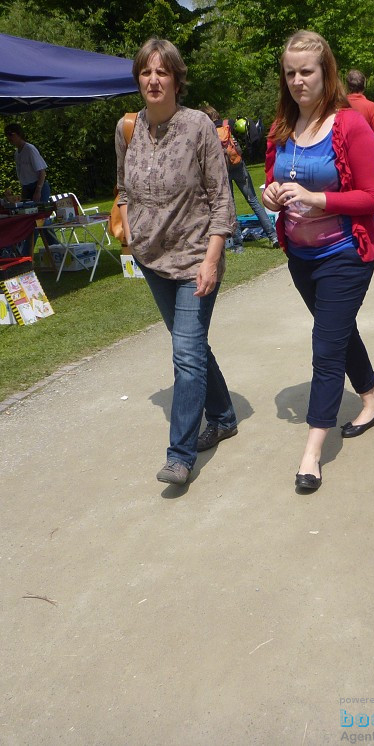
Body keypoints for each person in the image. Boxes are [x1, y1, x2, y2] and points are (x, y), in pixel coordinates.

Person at [262, 31, 374, 492]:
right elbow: (273, 184)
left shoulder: (349, 125)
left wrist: (318, 197)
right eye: (290, 72)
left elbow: (373, 197)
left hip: (344, 254)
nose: (297, 81)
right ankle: (370, 398)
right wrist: (271, 196)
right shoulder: (281, 127)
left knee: (325, 347)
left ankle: (312, 452)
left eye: (306, 71)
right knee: (339, 330)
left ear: (326, 73)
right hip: (300, 256)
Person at [115, 38, 238, 486]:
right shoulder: (127, 128)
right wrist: (130, 227)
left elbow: (222, 200)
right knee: (193, 346)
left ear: (176, 79)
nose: (153, 80)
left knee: (185, 354)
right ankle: (223, 416)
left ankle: (180, 455)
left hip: (193, 259)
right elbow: (122, 189)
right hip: (151, 259)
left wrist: (211, 259)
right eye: (146, 72)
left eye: (161, 72)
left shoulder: (198, 126)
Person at [200, 105, 278, 248]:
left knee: (231, 206)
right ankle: (273, 237)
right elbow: (247, 126)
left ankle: (238, 244)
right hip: (239, 166)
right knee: (254, 201)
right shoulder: (228, 123)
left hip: (223, 171)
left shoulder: (207, 131)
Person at [4, 124, 50, 203]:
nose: (9, 138)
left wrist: (38, 190)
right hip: (26, 187)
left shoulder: (29, 149)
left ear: (19, 134)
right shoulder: (17, 153)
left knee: (40, 212)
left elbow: (42, 171)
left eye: (11, 134)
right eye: (7, 135)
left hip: (37, 186)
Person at [345, 69, 374, 139]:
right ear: (364, 85)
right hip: (366, 148)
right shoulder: (372, 107)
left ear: (347, 86)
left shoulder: (339, 105)